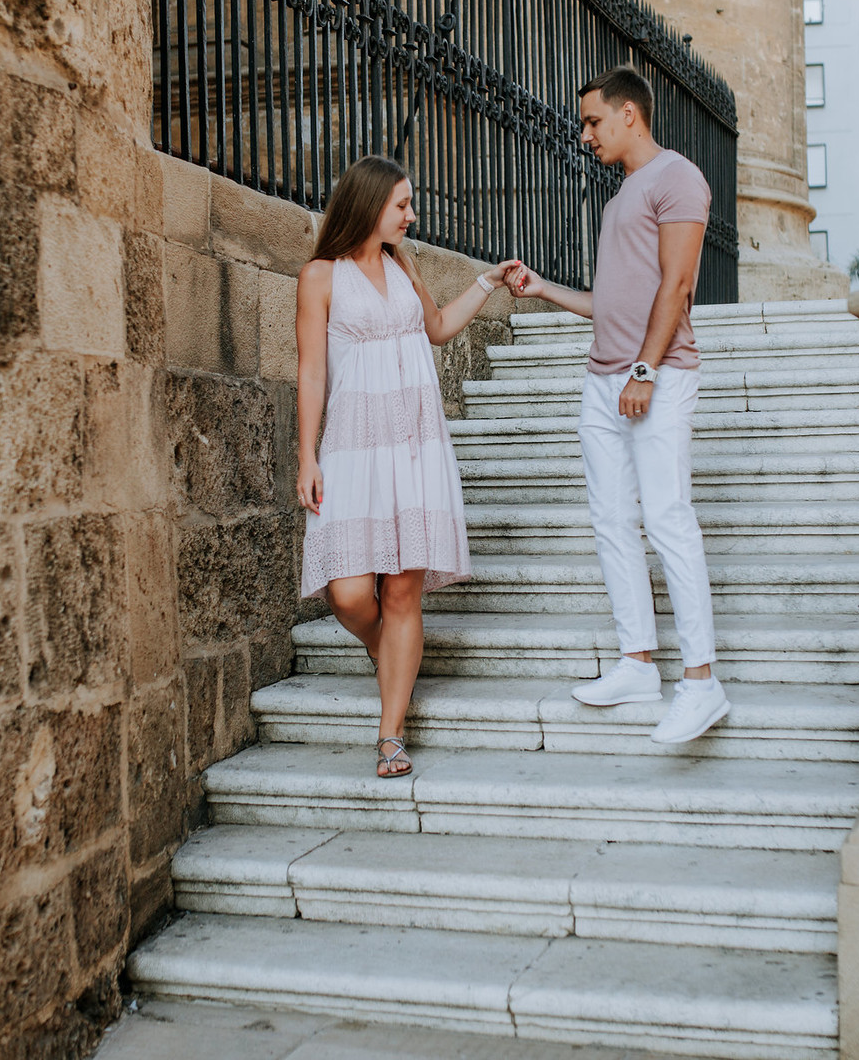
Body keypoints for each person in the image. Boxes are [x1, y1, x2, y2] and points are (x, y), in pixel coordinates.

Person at [510, 66, 731, 745]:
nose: (586, 135)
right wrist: (545, 289)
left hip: (654, 377)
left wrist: (645, 368)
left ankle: (702, 681)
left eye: (594, 121)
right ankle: (638, 662)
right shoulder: (624, 196)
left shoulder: (677, 178)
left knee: (666, 517)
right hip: (603, 381)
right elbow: (611, 302)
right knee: (611, 519)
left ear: (630, 114)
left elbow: (680, 283)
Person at [297, 155, 524, 778]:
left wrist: (487, 282)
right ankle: (388, 653)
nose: (412, 215)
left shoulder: (404, 266)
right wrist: (306, 455)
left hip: (413, 444)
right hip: (351, 447)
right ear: (370, 206)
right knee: (348, 592)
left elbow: (439, 328)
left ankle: (390, 733)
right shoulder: (320, 277)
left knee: (401, 588)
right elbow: (312, 372)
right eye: (402, 204)